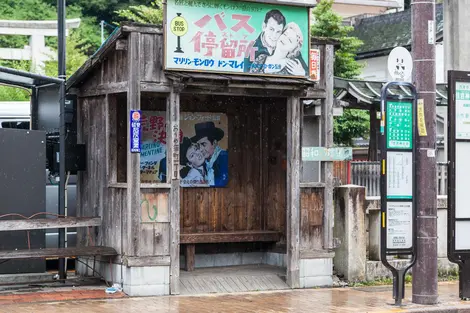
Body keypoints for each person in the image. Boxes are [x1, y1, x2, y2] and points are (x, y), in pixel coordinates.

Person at [191, 122, 228, 187]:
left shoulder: (224, 158)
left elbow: (224, 182)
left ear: (214, 143)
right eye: (199, 146)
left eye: (203, 144)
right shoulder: (204, 162)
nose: (201, 149)